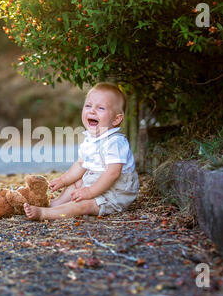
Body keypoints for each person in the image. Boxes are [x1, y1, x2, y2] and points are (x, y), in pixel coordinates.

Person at [24, 82, 139, 220]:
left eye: (101, 108)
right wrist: (63, 180)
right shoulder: (90, 139)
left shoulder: (115, 142)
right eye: (88, 106)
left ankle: (44, 214)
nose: (92, 111)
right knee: (76, 183)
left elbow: (112, 173)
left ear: (116, 119)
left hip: (115, 194)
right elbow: (81, 165)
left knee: (83, 205)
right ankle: (55, 205)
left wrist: (89, 192)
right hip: (97, 184)